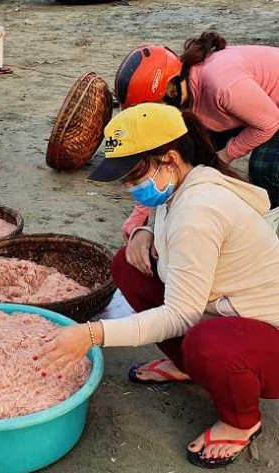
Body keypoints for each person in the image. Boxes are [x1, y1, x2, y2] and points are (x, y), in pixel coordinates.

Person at [36, 103, 279, 469]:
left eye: (134, 175)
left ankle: (241, 422)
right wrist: (144, 230)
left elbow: (180, 315)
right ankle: (187, 366)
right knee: (127, 265)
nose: (129, 187)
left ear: (169, 158)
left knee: (207, 345)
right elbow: (164, 217)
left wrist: (90, 335)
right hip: (221, 306)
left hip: (264, 337)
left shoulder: (199, 210)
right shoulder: (183, 182)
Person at [115, 32, 279, 236]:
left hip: (272, 115)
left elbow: (270, 124)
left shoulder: (221, 85)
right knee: (199, 156)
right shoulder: (187, 97)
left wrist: (224, 155)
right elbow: (167, 160)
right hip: (260, 108)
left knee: (264, 168)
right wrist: (141, 213)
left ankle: (269, 230)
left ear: (170, 91)